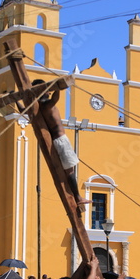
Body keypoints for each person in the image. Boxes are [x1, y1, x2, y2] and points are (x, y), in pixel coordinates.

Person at [32, 79, 92, 209]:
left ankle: (75, 195)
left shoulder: (36, 108)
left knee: (68, 171)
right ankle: (77, 196)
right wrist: (58, 86)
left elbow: (23, 109)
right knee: (70, 171)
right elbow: (56, 97)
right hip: (61, 140)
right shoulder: (47, 104)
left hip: (56, 141)